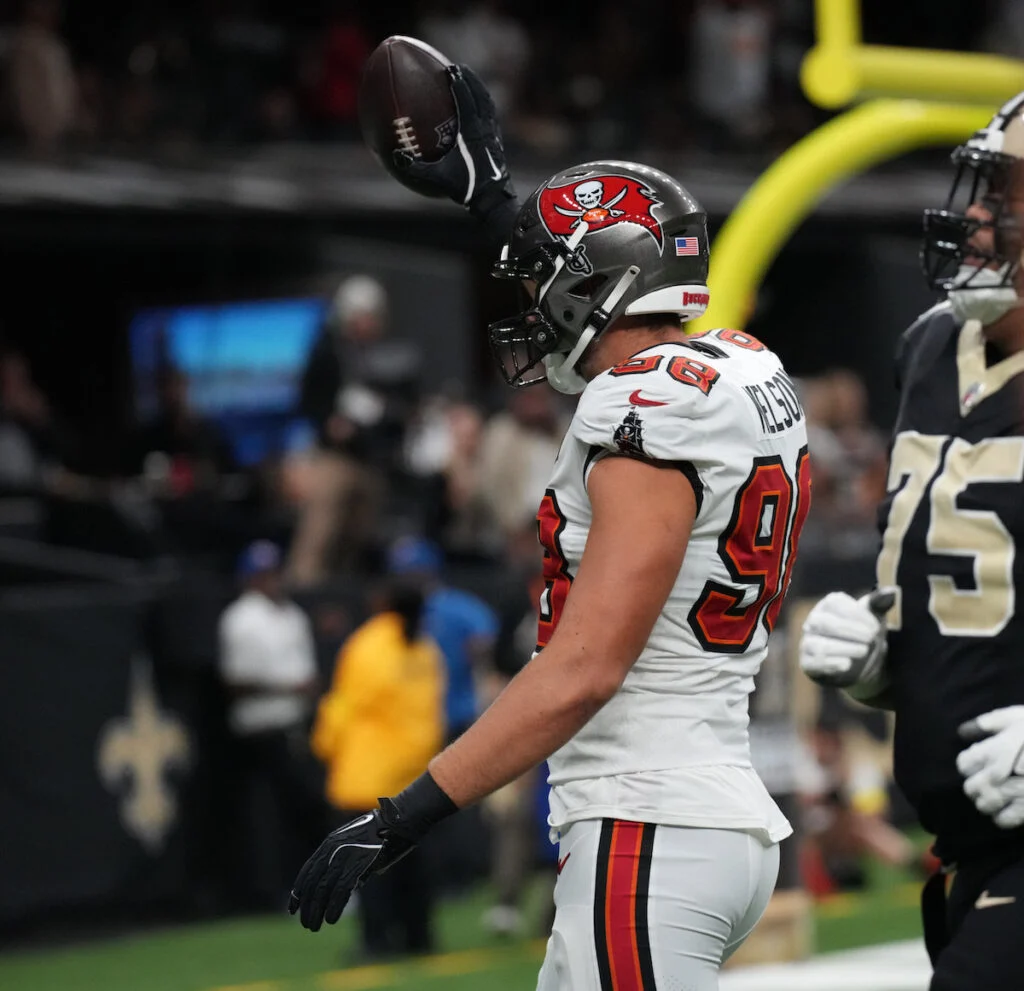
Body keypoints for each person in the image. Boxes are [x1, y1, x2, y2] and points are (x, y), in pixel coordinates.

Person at [289, 64, 811, 990]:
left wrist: (404, 814)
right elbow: (643, 379)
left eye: (543, 284)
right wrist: (502, 210)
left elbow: (584, 669)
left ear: (594, 288)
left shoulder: (641, 411)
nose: (528, 308)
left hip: (648, 822)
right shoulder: (739, 366)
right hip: (688, 813)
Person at [799, 91, 1024, 990]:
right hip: (968, 845)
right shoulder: (931, 345)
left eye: (1003, 193)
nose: (973, 216)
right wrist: (882, 664)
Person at [310, 578, 445, 959]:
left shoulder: (368, 645)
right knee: (412, 862)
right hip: (415, 775)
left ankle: (377, 941)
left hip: (368, 773)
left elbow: (344, 706)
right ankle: (419, 937)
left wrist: (323, 744)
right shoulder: (424, 648)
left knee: (367, 864)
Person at [218, 540, 324, 909]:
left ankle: (312, 886)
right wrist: (287, 688)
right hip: (261, 729)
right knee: (272, 816)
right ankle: (279, 891)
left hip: (297, 723)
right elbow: (235, 684)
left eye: (274, 572)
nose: (272, 580)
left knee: (306, 809)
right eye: (263, 574)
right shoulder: (240, 618)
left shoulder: (291, 614)